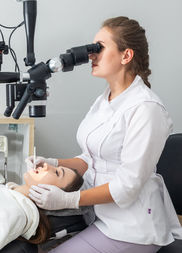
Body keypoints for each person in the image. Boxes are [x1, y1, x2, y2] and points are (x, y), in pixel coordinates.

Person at [27, 16, 182, 253]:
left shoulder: (146, 109)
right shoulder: (105, 99)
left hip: (132, 228)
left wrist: (69, 200)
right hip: (100, 218)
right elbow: (91, 158)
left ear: (126, 55)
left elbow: (127, 186)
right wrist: (53, 162)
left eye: (99, 48)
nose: (91, 55)